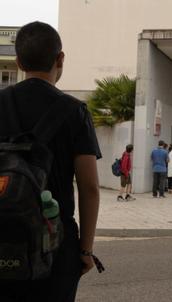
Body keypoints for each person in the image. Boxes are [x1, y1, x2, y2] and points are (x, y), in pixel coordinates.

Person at [0, 22, 101, 301]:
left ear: (18, 61)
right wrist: (85, 250)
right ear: (60, 59)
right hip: (54, 244)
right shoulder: (75, 112)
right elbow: (90, 187)